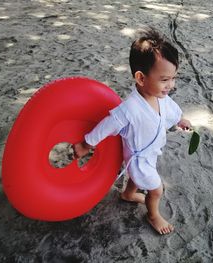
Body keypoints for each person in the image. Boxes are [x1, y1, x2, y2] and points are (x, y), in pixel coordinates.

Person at [73, 28, 191, 235]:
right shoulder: (129, 109)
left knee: (137, 180)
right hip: (138, 158)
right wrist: (86, 144)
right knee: (156, 189)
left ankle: (127, 195)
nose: (170, 85)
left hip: (151, 152)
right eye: (164, 79)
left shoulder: (160, 98)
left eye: (173, 78)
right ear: (141, 78)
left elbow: (171, 112)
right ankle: (153, 215)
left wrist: (180, 120)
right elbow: (106, 126)